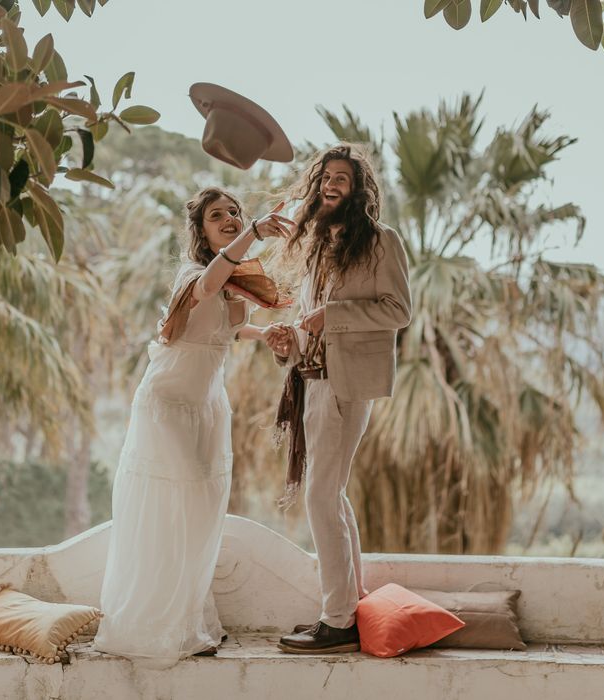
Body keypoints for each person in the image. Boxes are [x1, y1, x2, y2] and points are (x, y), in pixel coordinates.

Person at [94, 187, 293, 666]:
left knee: (202, 512)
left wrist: (263, 333)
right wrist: (252, 231)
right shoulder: (195, 272)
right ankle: (148, 623)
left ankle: (186, 618)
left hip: (208, 407)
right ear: (201, 231)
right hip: (167, 404)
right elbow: (205, 288)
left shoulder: (237, 279)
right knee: (171, 507)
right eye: (216, 215)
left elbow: (222, 329)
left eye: (234, 212)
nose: (227, 218)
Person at [270, 144, 412, 654]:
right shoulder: (316, 245)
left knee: (320, 497)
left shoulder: (380, 241)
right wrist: (290, 344)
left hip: (347, 386)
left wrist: (332, 314)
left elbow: (398, 310)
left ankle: (337, 620)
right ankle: (352, 603)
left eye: (342, 179)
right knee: (333, 494)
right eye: (326, 176)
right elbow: (313, 320)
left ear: (358, 190)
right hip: (311, 381)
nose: (331, 184)